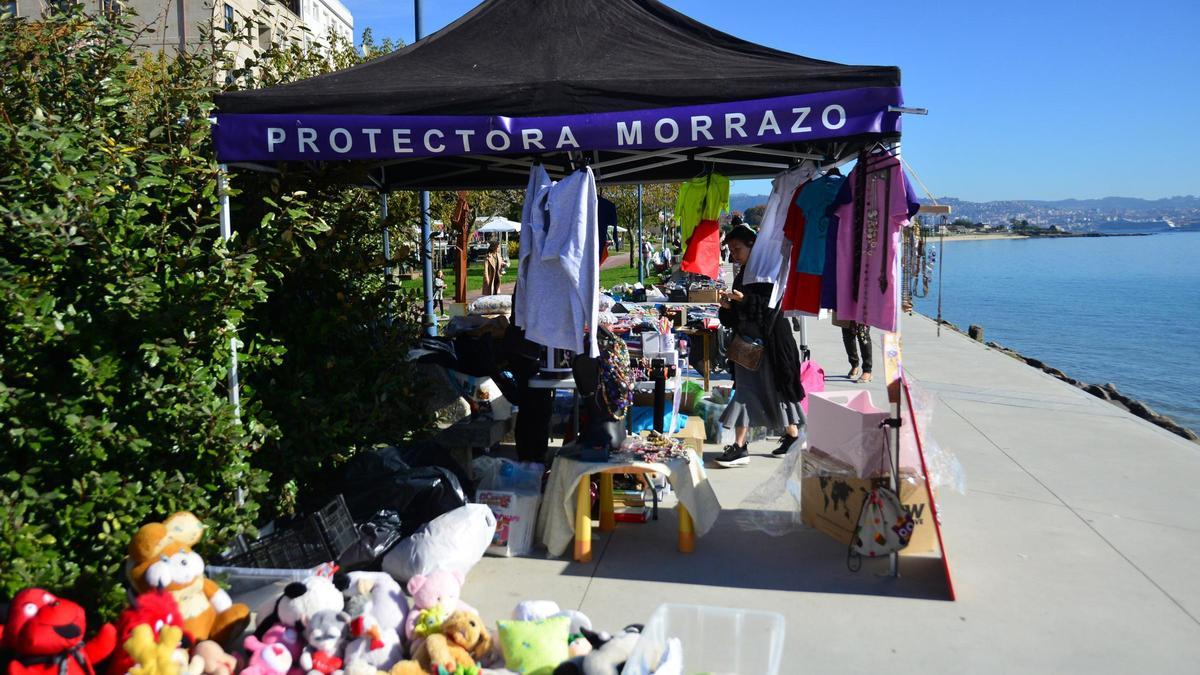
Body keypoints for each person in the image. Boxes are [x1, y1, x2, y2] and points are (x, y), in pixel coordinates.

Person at [714, 224, 805, 467]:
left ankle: (749, 445)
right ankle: (747, 444)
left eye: (737, 249)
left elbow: (771, 308)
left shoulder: (766, 272)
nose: (734, 254)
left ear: (753, 246)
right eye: (731, 250)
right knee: (749, 392)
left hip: (768, 345)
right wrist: (728, 307)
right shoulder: (744, 273)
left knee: (769, 390)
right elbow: (736, 317)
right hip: (748, 346)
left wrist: (744, 301)